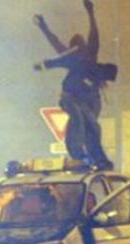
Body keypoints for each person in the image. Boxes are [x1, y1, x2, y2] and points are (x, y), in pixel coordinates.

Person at [33, 0, 116, 171]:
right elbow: (55, 43)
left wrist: (91, 12)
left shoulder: (90, 54)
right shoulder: (72, 59)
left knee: (89, 125)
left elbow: (94, 34)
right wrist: (44, 27)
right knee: (80, 119)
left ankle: (95, 156)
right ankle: (80, 154)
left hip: (91, 100)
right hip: (74, 98)